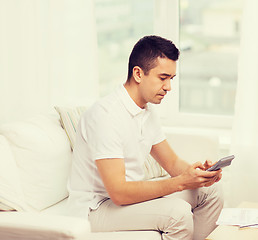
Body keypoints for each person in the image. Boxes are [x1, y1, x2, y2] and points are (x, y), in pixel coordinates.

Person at [67, 35, 224, 240]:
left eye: (171, 79)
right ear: (138, 74)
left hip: (127, 202)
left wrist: (199, 175)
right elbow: (119, 192)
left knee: (211, 192)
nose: (168, 87)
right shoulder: (106, 116)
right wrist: (181, 182)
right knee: (178, 214)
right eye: (163, 77)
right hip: (96, 208)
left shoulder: (146, 112)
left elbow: (173, 162)